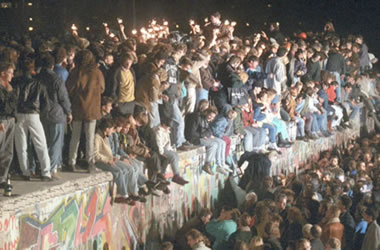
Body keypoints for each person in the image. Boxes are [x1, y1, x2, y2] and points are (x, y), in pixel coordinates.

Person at [14, 57, 53, 181]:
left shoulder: (16, 83)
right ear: (32, 70)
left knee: (21, 145)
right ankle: (46, 172)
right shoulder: (39, 84)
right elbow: (46, 103)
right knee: (41, 144)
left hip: (19, 115)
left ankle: (25, 172)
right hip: (34, 114)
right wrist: (41, 114)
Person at [67, 50, 105, 173]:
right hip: (92, 109)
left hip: (78, 107)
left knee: (75, 136)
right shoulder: (97, 73)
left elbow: (69, 88)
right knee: (90, 137)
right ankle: (90, 162)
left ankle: (71, 162)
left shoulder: (75, 72)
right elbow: (102, 89)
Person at [38, 53, 72, 179]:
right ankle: (51, 169)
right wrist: (68, 112)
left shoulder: (37, 78)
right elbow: (63, 97)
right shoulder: (56, 79)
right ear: (52, 66)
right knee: (56, 143)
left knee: (44, 142)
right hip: (56, 113)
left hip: (41, 113)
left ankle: (42, 167)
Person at [154, 117, 188, 185]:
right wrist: (161, 153)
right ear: (163, 125)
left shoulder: (166, 130)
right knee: (173, 156)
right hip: (159, 149)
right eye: (167, 127)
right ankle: (176, 176)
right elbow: (159, 145)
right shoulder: (158, 131)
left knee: (175, 155)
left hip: (165, 148)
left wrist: (172, 150)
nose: (168, 129)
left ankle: (176, 175)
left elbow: (168, 144)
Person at [0, 62, 17, 187]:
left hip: (11, 119)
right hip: (2, 120)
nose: (12, 75)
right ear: (3, 73)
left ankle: (3, 178)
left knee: (8, 150)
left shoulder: (10, 87)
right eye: (10, 72)